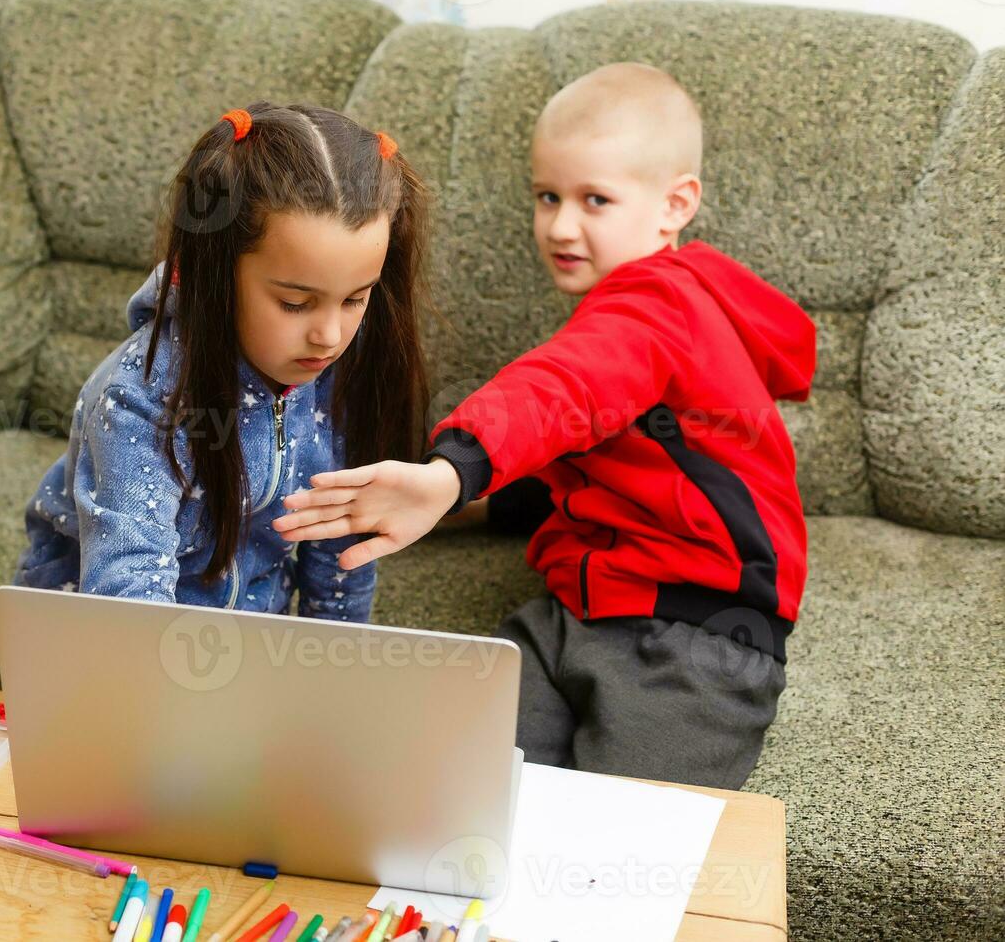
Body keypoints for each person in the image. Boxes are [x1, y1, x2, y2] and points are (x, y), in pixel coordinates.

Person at [274, 64, 816, 789]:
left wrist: (450, 470)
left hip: (692, 637)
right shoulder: (638, 313)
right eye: (547, 196)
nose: (561, 226)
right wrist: (457, 501)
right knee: (444, 781)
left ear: (675, 204)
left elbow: (560, 389)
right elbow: (606, 461)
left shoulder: (657, 306)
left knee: (620, 848)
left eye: (595, 199)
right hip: (572, 614)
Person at [14, 101, 430, 622]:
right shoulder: (137, 401)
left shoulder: (347, 363)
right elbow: (127, 601)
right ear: (216, 277)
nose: (330, 336)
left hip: (245, 641)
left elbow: (340, 551)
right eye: (295, 304)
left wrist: (335, 669)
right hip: (104, 639)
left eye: (354, 299)